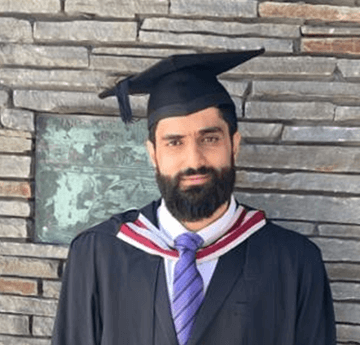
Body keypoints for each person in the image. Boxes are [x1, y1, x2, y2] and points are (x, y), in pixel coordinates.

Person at [52, 49, 336, 345]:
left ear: (234, 144)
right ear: (153, 154)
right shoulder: (97, 254)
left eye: (209, 139)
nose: (194, 160)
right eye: (174, 142)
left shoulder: (295, 264)